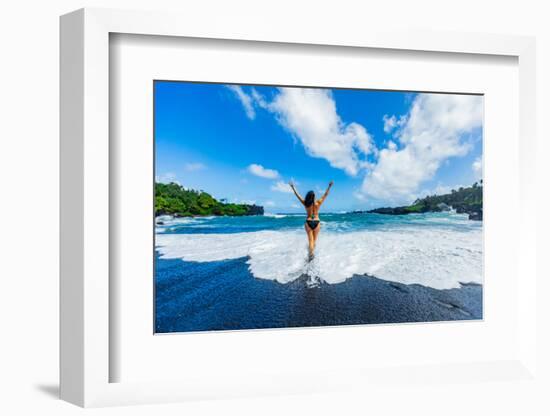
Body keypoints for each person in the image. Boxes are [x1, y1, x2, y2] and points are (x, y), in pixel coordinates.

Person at [289, 180, 333, 258]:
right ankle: (312, 254)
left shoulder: (305, 203)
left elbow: (297, 195)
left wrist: (293, 187)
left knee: (310, 241)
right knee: (314, 241)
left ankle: (310, 255)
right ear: (314, 197)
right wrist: (329, 186)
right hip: (316, 221)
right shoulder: (318, 203)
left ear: (308, 196)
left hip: (308, 222)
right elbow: (325, 194)